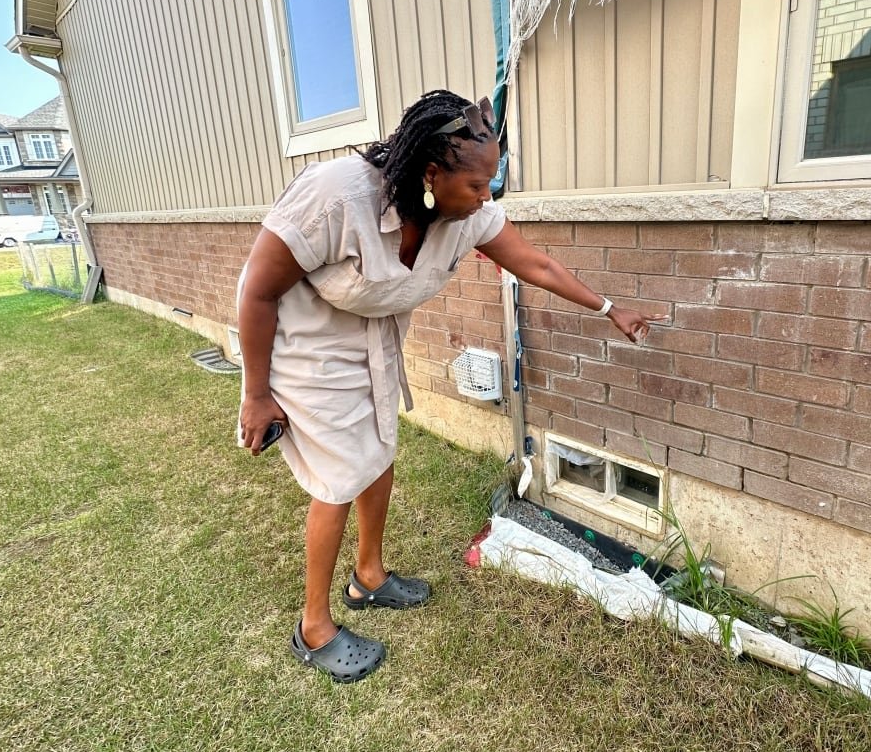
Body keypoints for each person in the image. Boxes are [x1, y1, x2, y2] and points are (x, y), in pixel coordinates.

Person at [237, 90, 663, 683]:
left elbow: (534, 264)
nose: (486, 195)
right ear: (431, 173)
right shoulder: (337, 195)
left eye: (491, 182)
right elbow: (256, 292)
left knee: (379, 454)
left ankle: (369, 578)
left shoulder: (464, 212)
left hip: (370, 341)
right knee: (338, 478)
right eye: (475, 185)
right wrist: (257, 394)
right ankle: (313, 629)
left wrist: (609, 307)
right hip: (304, 347)